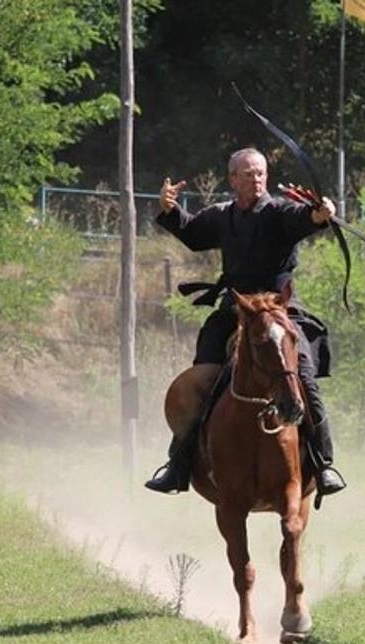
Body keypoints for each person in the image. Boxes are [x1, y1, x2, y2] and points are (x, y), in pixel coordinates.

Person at [144, 147, 346, 497]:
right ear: (232, 179)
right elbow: (192, 233)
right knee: (202, 380)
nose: (256, 179)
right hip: (235, 312)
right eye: (248, 173)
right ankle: (179, 465)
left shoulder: (279, 211)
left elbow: (303, 218)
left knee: (303, 379)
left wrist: (321, 214)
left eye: (260, 173)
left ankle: (323, 463)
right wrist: (168, 208)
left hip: (280, 312)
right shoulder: (223, 215)